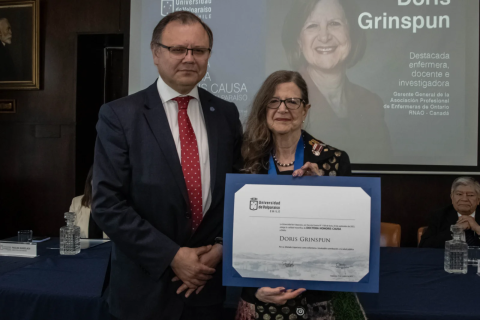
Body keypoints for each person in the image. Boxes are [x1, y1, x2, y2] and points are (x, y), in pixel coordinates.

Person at [92, 11, 242, 320]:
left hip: (205, 287)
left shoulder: (225, 114)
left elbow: (237, 193)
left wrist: (221, 249)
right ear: (156, 53)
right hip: (144, 292)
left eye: (199, 50)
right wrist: (172, 256)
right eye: (178, 49)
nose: (189, 58)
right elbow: (107, 204)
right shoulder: (119, 116)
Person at [237, 70, 365, 320]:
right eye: (274, 101)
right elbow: (233, 232)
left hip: (317, 297)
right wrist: (256, 289)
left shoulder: (334, 161)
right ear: (264, 108)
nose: (282, 108)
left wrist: (322, 191)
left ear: (305, 110)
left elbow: (349, 235)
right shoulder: (244, 160)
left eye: (292, 102)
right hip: (261, 296)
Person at [282, 0, 391, 163]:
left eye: (334, 23)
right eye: (312, 26)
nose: (324, 36)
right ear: (298, 39)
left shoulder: (371, 103)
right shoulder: (282, 102)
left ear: (351, 33)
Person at [420, 177, 480, 248]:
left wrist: (478, 228)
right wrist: (455, 230)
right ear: (452, 197)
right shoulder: (439, 215)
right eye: (459, 194)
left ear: (478, 199)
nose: (464, 199)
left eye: (470, 195)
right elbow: (424, 246)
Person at [68, 166, 107, 239]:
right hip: (84, 248)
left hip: (109, 248)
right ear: (90, 181)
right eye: (96, 178)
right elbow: (71, 233)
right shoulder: (76, 202)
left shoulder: (116, 202)